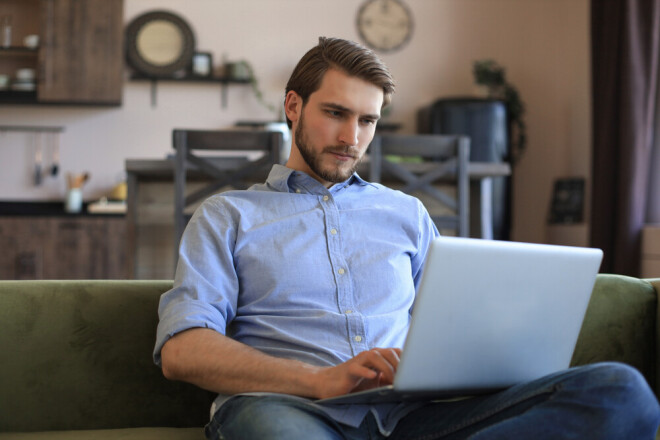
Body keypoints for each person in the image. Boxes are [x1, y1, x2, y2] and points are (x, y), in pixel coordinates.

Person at [154, 37, 660, 439]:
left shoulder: (407, 213)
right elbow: (182, 351)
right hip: (287, 410)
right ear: (293, 105)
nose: (351, 137)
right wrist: (316, 381)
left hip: (410, 416)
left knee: (620, 390)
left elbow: (451, 325)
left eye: (367, 120)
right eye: (335, 113)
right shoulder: (227, 215)